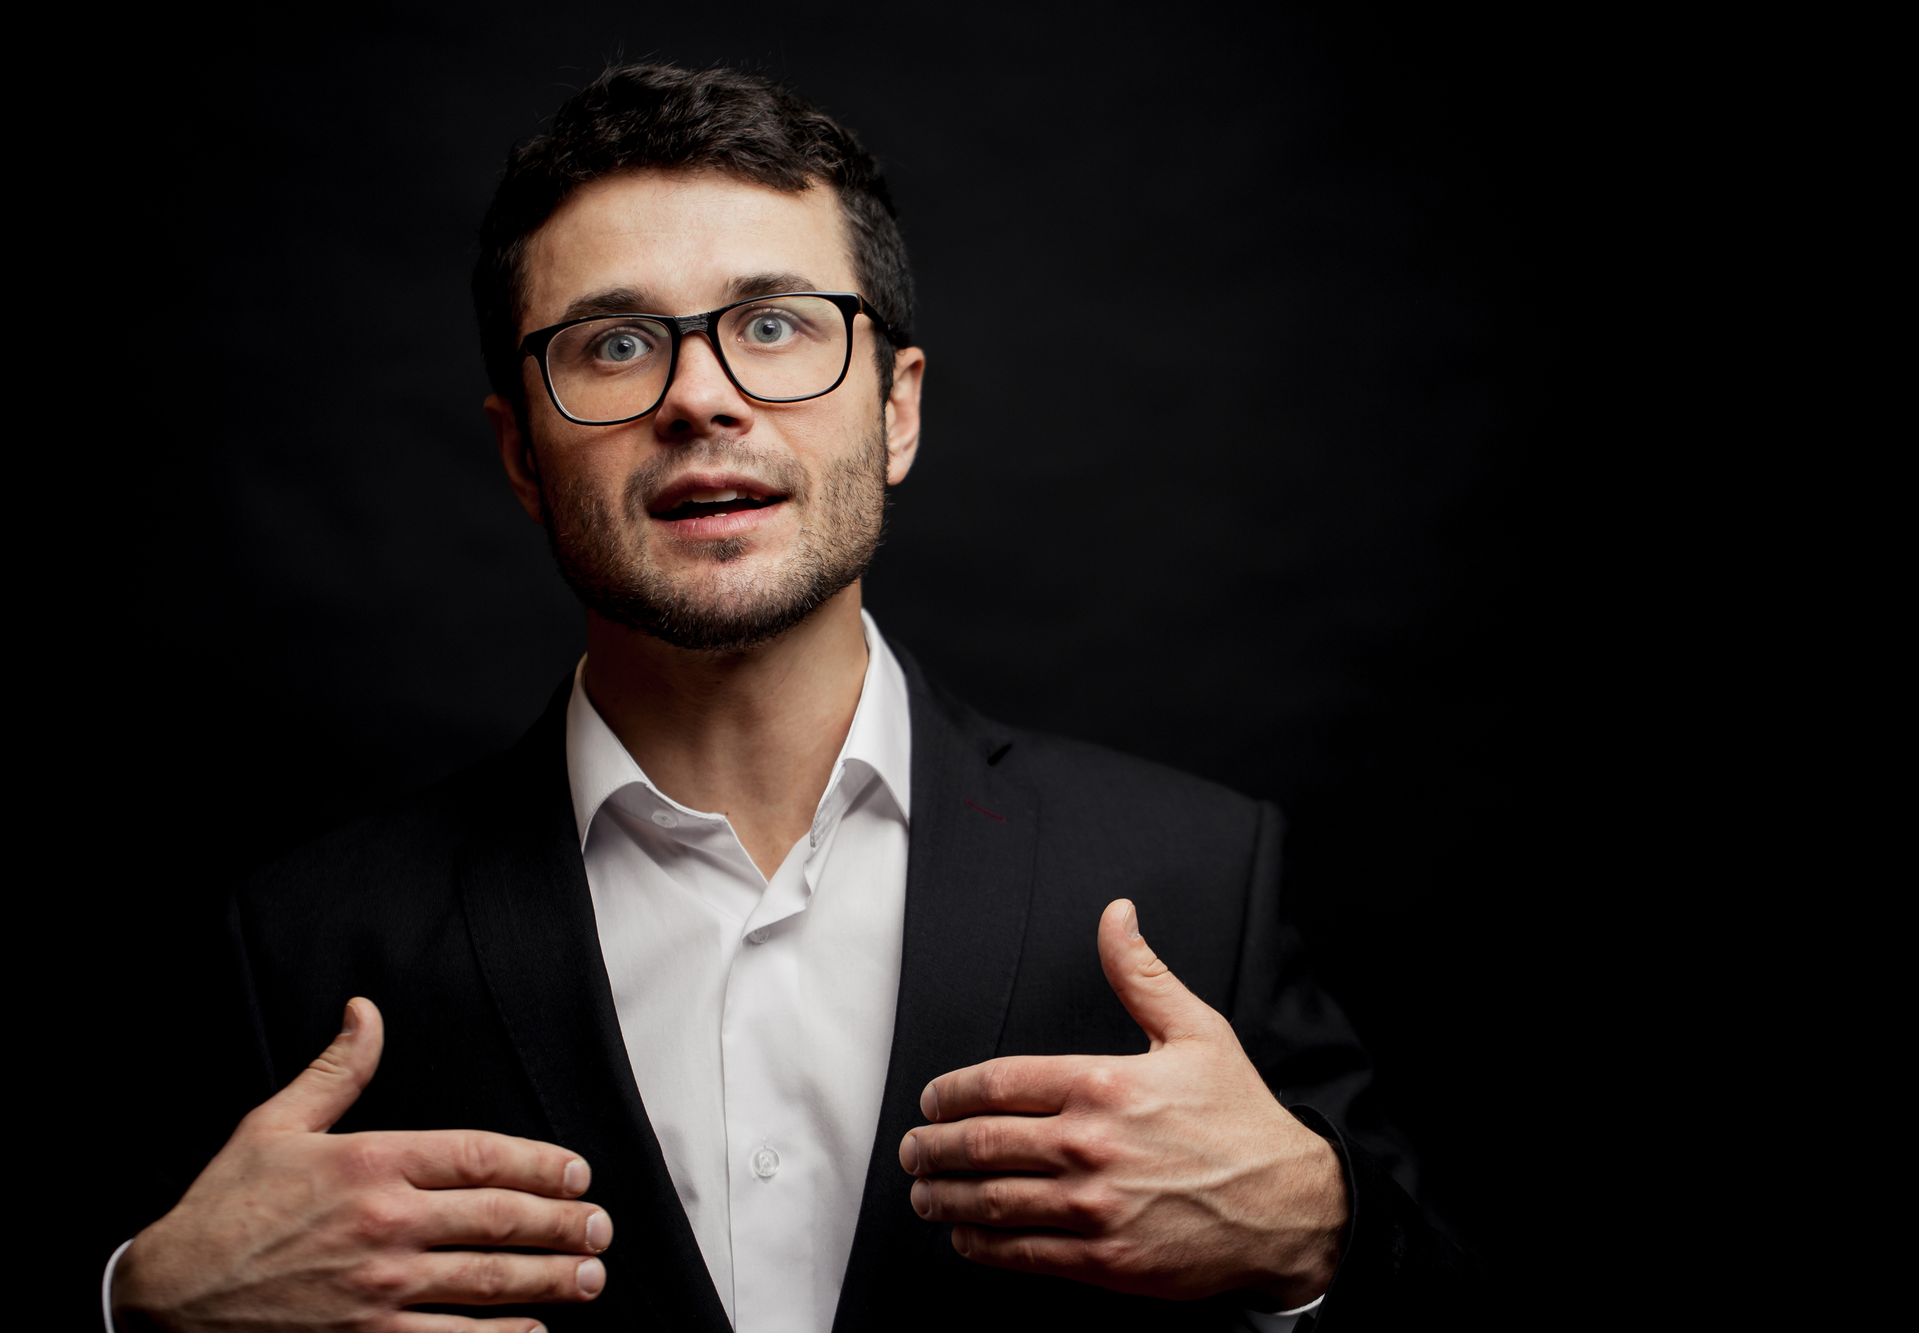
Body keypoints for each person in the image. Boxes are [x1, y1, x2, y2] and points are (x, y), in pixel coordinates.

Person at [106, 64, 1475, 1333]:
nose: (702, 395)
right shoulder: (301, 942)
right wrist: (141, 1301)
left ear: (897, 408)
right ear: (519, 454)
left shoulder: (1192, 872)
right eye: (613, 343)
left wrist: (1323, 1235)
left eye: (773, 324)